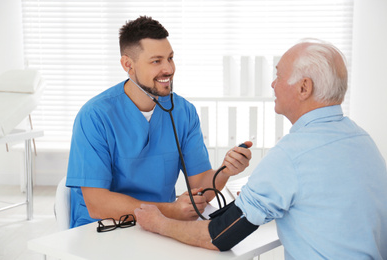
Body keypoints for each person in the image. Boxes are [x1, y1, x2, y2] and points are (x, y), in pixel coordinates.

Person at [135, 40, 387, 259]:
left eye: (279, 75)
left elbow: (218, 236)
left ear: (304, 88)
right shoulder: (362, 139)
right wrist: (264, 196)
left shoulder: (291, 155)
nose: (273, 84)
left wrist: (159, 223)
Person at [65, 16, 252, 228]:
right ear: (128, 65)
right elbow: (97, 204)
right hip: (103, 227)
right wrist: (170, 210)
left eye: (170, 58)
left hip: (160, 225)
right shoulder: (95, 116)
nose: (169, 69)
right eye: (156, 61)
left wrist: (225, 171)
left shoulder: (184, 112)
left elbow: (200, 186)